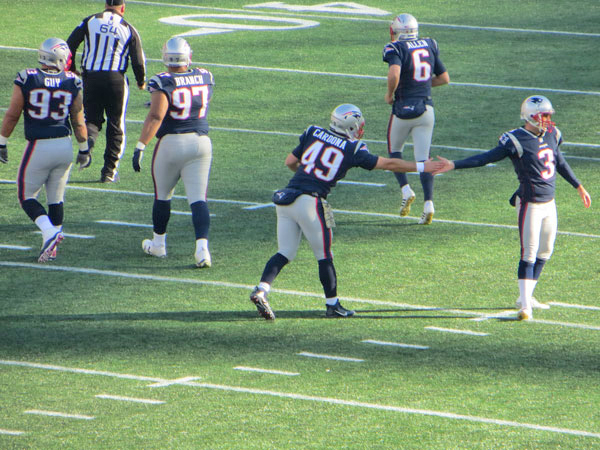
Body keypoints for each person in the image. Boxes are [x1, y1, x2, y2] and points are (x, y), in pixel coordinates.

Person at [250, 104, 444, 320]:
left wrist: (308, 176)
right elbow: (389, 163)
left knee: (285, 252)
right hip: (311, 202)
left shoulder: (313, 132)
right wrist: (421, 166)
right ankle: (332, 305)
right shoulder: (353, 149)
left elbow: (290, 162)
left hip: (286, 199)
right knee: (324, 256)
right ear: (351, 126)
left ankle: (261, 290)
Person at [433, 95, 591, 320]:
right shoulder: (516, 139)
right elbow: (486, 158)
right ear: (530, 116)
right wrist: (454, 165)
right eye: (543, 115)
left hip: (550, 202)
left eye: (548, 115)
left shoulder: (553, 134)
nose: (547, 120)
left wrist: (579, 186)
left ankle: (528, 295)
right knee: (529, 251)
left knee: (546, 251)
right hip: (530, 202)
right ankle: (525, 305)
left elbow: (559, 162)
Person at [0, 37, 90, 262]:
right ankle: (50, 250)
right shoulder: (73, 80)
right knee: (56, 198)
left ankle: (49, 232)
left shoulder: (28, 77)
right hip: (65, 144)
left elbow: (12, 114)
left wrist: (2, 140)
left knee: (26, 195)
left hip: (39, 145)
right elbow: (79, 120)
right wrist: (84, 148)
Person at [132, 37, 214, 268]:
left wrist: (141, 145)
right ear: (187, 56)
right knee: (198, 199)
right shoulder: (205, 75)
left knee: (163, 195)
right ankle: (202, 250)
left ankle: (158, 244)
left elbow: (157, 116)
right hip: (201, 142)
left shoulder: (162, 81)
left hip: (171, 143)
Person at [67, 0, 146, 183]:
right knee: (116, 125)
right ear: (123, 7)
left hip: (91, 78)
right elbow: (138, 60)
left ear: (105, 4)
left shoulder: (89, 21)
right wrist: (140, 81)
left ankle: (88, 146)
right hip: (116, 80)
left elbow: (70, 44)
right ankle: (109, 172)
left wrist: (71, 68)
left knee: (92, 119)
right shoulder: (128, 28)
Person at [383, 13, 449, 224]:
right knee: (424, 160)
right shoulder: (429, 44)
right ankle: (429, 203)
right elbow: (444, 78)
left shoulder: (395, 48)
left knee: (394, 153)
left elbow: (394, 74)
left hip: (403, 109)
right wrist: (420, 88)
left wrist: (389, 94)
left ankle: (405, 190)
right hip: (425, 109)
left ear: (396, 31)